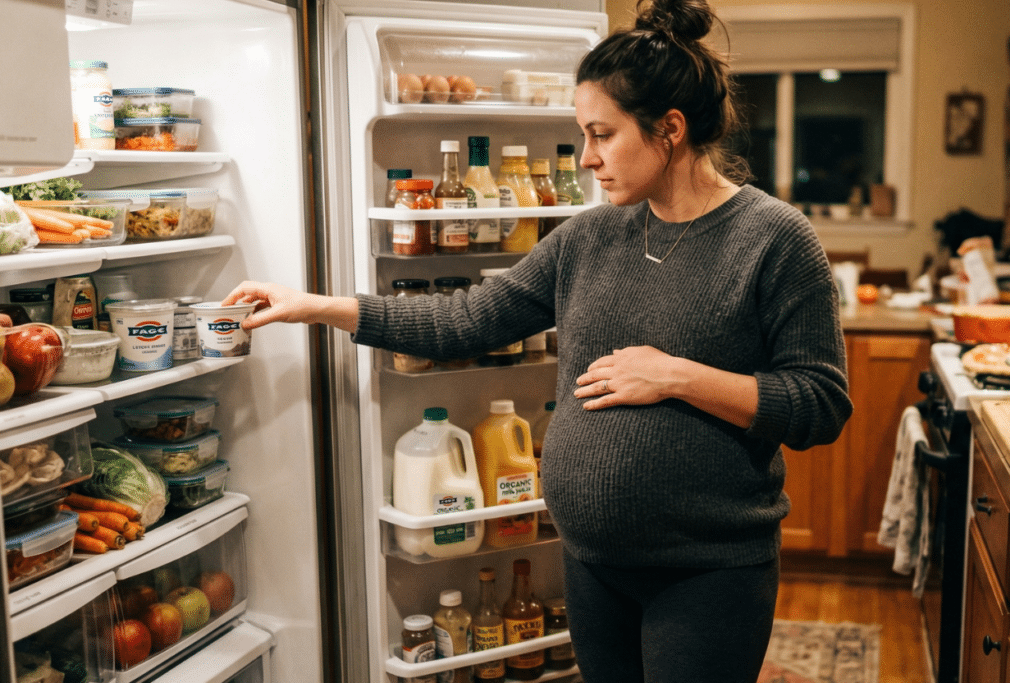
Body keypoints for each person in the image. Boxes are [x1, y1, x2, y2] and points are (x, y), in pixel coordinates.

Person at [223, 0, 852, 679]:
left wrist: (675, 375)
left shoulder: (775, 240)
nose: (587, 159)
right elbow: (467, 319)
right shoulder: (589, 236)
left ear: (669, 129)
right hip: (589, 563)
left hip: (707, 573)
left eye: (603, 135)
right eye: (582, 135)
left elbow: (819, 403)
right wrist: (317, 306)